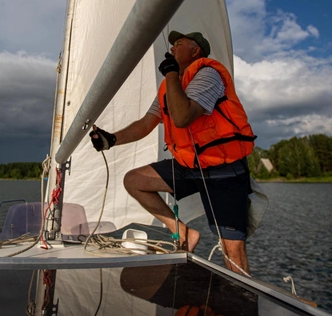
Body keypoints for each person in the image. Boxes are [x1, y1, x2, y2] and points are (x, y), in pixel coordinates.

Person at [89, 31, 256, 274]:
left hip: (223, 169)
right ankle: (184, 233)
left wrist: (170, 73)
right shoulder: (170, 86)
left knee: (233, 248)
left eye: (178, 44)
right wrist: (112, 139)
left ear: (195, 51)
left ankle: (242, 299)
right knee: (134, 181)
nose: (172, 48)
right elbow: (146, 123)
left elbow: (182, 117)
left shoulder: (208, 75)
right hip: (189, 166)